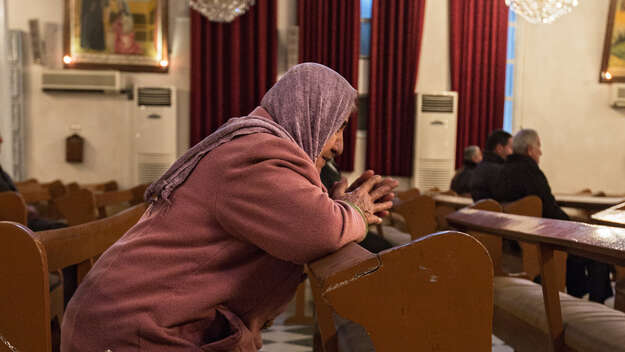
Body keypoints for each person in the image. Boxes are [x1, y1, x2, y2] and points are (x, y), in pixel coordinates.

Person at [61, 63, 398, 351]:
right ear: (312, 112)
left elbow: (313, 219)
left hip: (141, 321)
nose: (339, 145)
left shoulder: (257, 146)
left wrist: (341, 207)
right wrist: (353, 210)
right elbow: (321, 230)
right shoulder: (256, 157)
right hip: (132, 333)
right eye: (337, 126)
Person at [494, 129, 612, 303]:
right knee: (595, 249)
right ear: (529, 150)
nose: (540, 152)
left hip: (516, 241)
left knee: (576, 253)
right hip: (539, 240)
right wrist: (575, 227)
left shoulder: (502, 171)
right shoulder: (530, 171)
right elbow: (550, 209)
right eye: (538, 146)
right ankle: (598, 302)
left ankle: (577, 295)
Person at [320, 159, 394, 253]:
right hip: (330, 241)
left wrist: (351, 203)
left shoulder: (329, 163)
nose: (340, 148)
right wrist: (349, 212)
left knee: (389, 250)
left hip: (342, 233)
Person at [470, 129, 513, 201]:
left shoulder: (480, 166)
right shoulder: (499, 170)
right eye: (511, 148)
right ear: (499, 148)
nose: (513, 152)